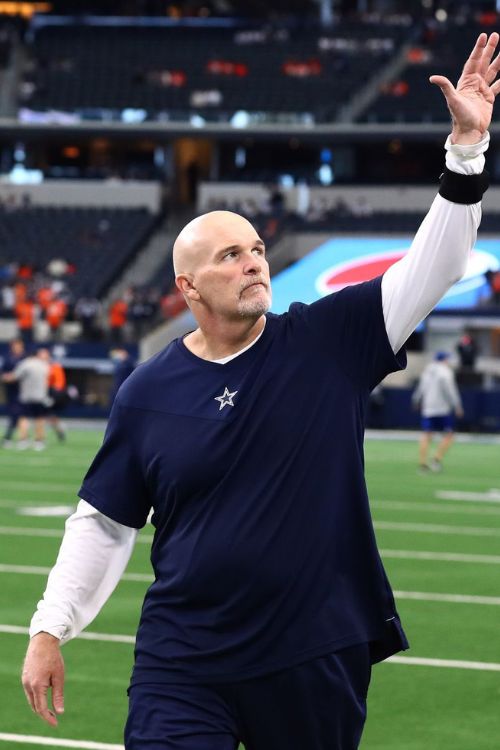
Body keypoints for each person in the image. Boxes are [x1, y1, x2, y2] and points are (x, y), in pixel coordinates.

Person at [21, 33, 500, 750]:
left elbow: (434, 267)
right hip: (183, 656)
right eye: (230, 255)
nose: (253, 262)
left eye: (257, 250)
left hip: (313, 652)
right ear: (187, 287)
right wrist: (48, 627)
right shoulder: (146, 390)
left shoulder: (329, 338)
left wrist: (465, 151)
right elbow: (105, 522)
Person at [412, 351, 464, 473]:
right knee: (450, 435)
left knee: (426, 435)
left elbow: (420, 388)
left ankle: (423, 464)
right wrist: (457, 405)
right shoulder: (445, 372)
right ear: (445, 359)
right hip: (442, 409)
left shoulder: (427, 371)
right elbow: (450, 390)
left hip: (428, 409)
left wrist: (416, 400)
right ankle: (436, 459)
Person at [2, 346, 50, 450]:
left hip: (26, 396)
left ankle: (23, 440)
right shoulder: (44, 365)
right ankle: (39, 441)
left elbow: (14, 376)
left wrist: (4, 377)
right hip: (40, 396)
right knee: (39, 419)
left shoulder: (25, 364)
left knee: (23, 418)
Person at [1, 338, 25, 446]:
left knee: (19, 414)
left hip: (24, 390)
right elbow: (3, 373)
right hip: (11, 390)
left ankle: (11, 437)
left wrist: (14, 377)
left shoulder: (25, 358)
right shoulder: (7, 358)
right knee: (15, 414)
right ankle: (19, 438)